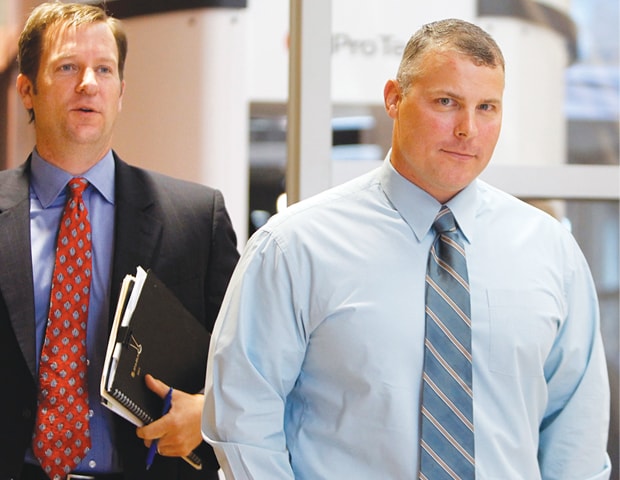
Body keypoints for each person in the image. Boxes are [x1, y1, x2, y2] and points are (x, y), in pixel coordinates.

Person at [202, 18, 612, 479]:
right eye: (446, 102)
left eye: (487, 107)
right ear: (394, 98)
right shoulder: (295, 247)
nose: (468, 129)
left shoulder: (551, 251)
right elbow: (243, 418)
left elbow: (575, 430)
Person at [0, 3, 239, 479]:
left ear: (121, 92)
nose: (88, 83)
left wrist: (207, 415)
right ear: (26, 89)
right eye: (67, 67)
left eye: (104, 70)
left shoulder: (195, 219)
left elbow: (251, 367)